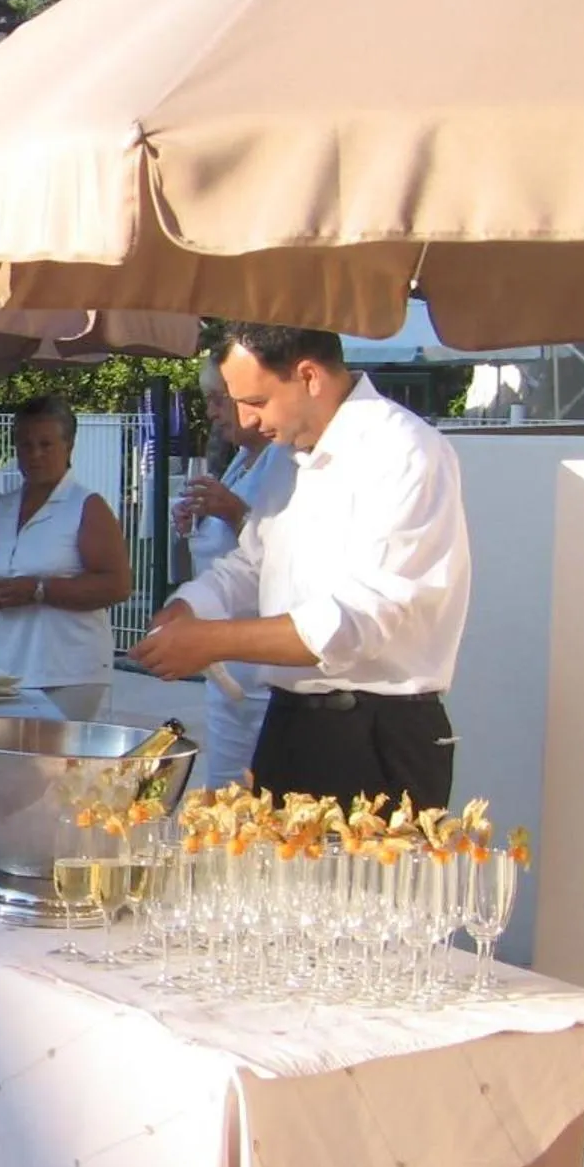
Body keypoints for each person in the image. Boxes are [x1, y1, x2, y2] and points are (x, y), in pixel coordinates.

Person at [134, 324, 471, 807]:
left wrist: (212, 639)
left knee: (361, 884)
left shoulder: (404, 451)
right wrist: (189, 607)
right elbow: (252, 562)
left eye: (256, 401)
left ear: (309, 376)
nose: (247, 420)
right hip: (288, 723)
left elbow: (361, 621)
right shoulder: (280, 459)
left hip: (379, 734)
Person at [0, 393, 132, 721]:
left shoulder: (86, 506)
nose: (34, 454)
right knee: (11, 766)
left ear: (69, 446)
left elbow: (118, 585)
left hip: (68, 674)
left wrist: (40, 590)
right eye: (25, 445)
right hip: (7, 671)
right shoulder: (2, 508)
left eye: (46, 444)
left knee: (52, 769)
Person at [174, 351, 298, 789]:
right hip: (223, 667)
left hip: (258, 666)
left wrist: (231, 512)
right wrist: (195, 522)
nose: (211, 412)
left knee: (254, 795)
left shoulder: (283, 462)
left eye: (218, 400)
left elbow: (282, 554)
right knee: (223, 790)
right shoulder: (240, 460)